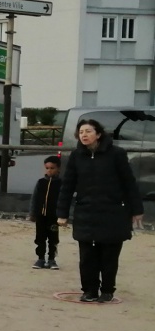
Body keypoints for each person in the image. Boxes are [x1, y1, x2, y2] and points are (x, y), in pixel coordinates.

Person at [56, 119, 145, 303]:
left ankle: (107, 290)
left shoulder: (116, 154)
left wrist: (137, 209)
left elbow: (129, 183)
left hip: (113, 212)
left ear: (98, 134)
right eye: (81, 132)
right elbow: (67, 186)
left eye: (88, 131)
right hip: (86, 212)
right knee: (87, 256)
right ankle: (89, 290)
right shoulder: (76, 156)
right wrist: (62, 213)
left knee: (109, 255)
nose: (84, 135)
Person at [30, 156, 62, 270]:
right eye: (47, 168)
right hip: (40, 216)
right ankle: (41, 258)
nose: (49, 171)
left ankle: (52, 259)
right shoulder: (41, 182)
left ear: (58, 169)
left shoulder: (61, 184)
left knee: (53, 238)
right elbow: (34, 198)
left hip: (54, 217)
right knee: (40, 237)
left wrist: (63, 215)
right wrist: (33, 213)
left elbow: (64, 200)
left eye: (52, 168)